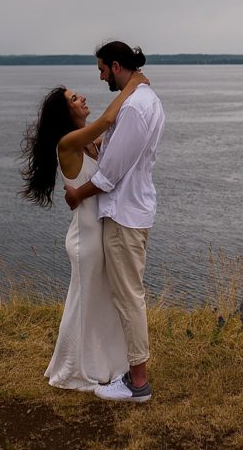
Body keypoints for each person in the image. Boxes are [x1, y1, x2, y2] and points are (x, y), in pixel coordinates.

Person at [20, 70, 149, 391]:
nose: (83, 98)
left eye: (78, 95)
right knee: (83, 305)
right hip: (86, 238)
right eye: (75, 99)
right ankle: (73, 369)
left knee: (99, 303)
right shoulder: (68, 143)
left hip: (99, 232)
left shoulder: (90, 143)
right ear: (65, 113)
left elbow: (116, 138)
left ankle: (100, 364)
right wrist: (132, 86)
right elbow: (108, 120)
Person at [64, 41, 164, 403]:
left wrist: (77, 194)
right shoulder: (144, 98)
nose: (101, 77)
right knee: (127, 294)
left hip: (124, 214)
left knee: (128, 296)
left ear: (117, 66)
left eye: (102, 69)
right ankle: (129, 371)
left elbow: (110, 175)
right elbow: (113, 152)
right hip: (132, 209)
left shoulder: (135, 107)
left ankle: (138, 383)